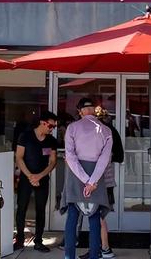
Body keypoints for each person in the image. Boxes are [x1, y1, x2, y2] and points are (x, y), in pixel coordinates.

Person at [61, 98, 113, 259]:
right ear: (94, 110)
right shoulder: (106, 130)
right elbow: (104, 159)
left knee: (72, 218)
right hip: (96, 178)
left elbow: (70, 156)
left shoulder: (72, 128)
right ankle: (94, 256)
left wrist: (84, 179)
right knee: (95, 218)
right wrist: (92, 181)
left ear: (81, 111)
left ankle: (69, 256)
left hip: (76, 175)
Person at [80, 106, 123, 259]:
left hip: (99, 182)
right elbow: (118, 156)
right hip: (105, 182)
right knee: (98, 216)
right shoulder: (109, 132)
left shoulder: (101, 135)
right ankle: (100, 248)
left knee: (97, 216)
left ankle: (103, 248)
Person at [14, 111, 58, 252]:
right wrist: (30, 176)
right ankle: (19, 239)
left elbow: (53, 161)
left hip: (42, 179)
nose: (52, 129)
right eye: (50, 126)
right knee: (21, 208)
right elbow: (19, 157)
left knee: (40, 210)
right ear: (42, 123)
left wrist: (39, 176)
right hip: (26, 178)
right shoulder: (25, 136)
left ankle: (38, 241)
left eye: (54, 127)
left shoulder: (51, 141)